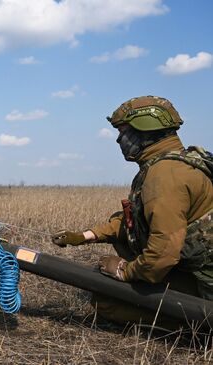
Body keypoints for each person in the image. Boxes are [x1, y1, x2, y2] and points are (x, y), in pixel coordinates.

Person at [51, 95, 213, 325]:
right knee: (122, 250)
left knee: (107, 302)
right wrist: (85, 236)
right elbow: (135, 220)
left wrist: (124, 271)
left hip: (205, 285)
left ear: (145, 130)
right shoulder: (172, 164)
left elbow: (162, 254)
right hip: (196, 270)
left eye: (124, 131)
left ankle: (195, 327)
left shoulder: (165, 176)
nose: (119, 140)